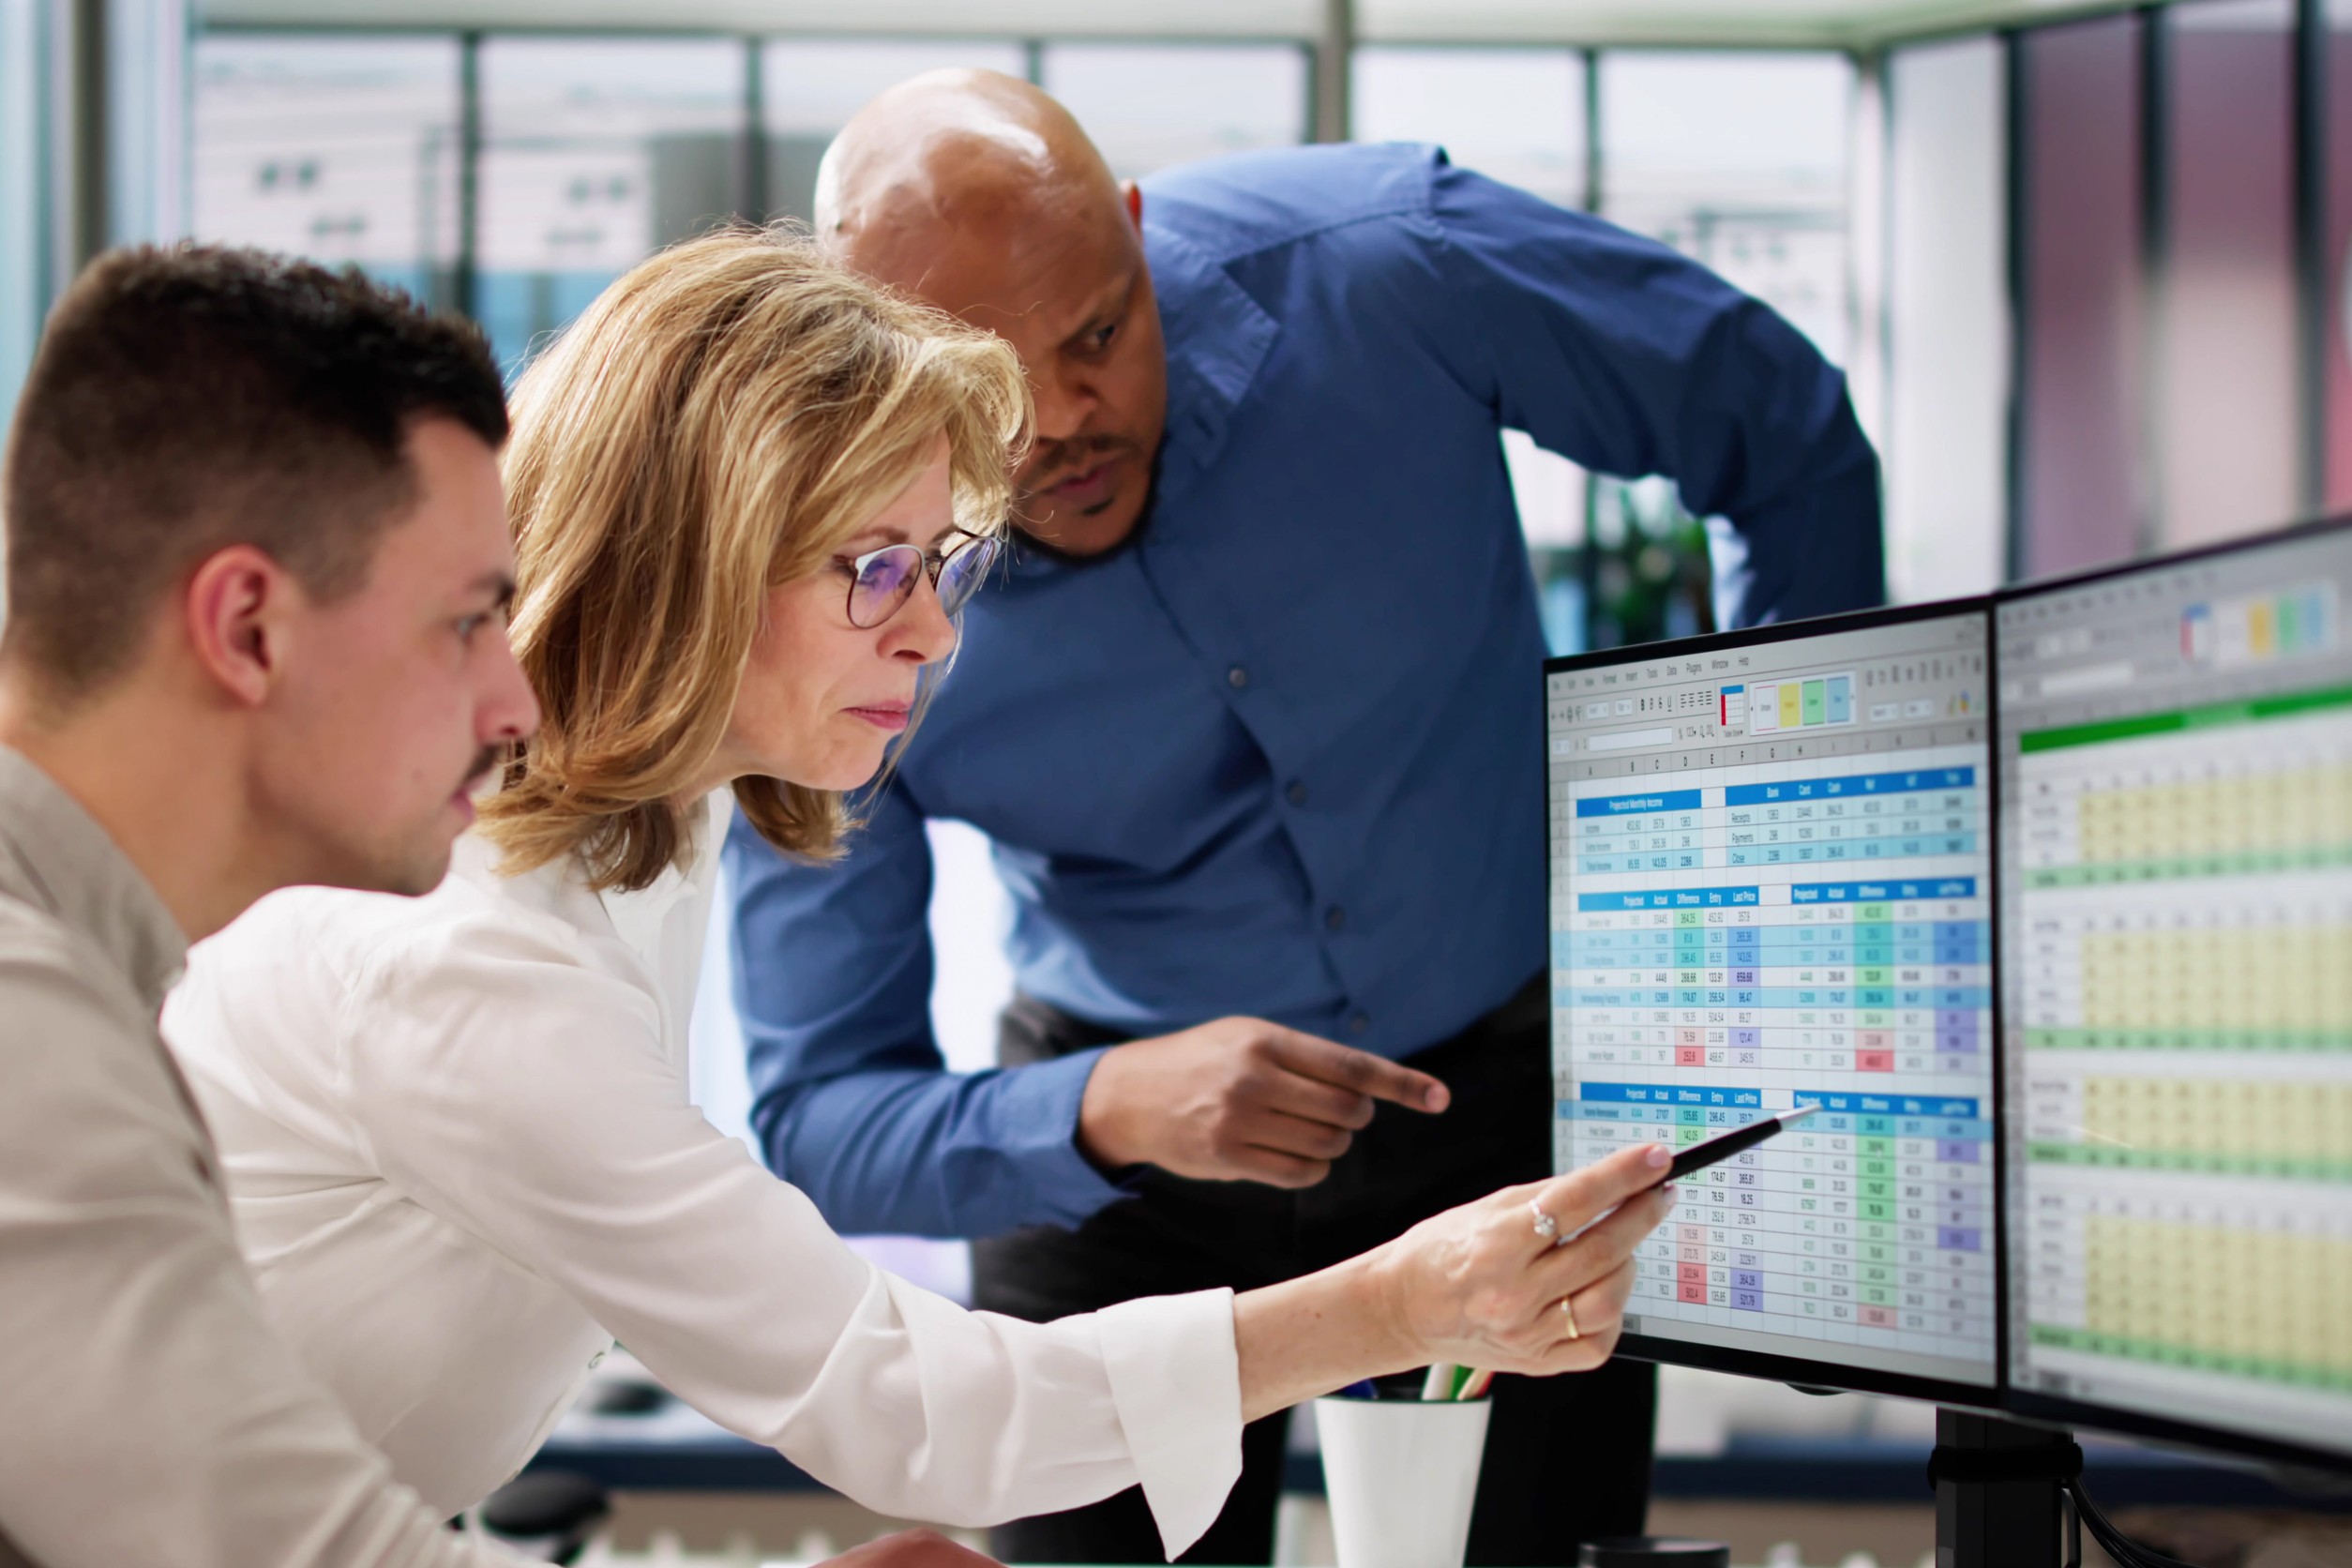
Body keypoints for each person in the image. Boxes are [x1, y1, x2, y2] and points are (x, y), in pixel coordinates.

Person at [162, 229, 1681, 1558]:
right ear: (690, 558)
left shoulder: (643, 822)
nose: (938, 637)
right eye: (872, 568)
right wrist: (1407, 1306)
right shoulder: (460, 954)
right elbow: (908, 1409)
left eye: (944, 563)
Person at [725, 71, 1888, 1567]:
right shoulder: (818, 611)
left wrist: (1775, 850)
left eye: (1098, 334)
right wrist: (1101, 1108)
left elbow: (1780, 429)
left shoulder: (1392, 259)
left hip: (1516, 1121)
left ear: (1136, 238)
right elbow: (820, 1117)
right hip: (1117, 1188)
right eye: (992, 392)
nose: (1067, 420)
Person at [0, 244, 543, 1566]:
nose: (516, 707)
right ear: (248, 626)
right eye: (469, 621)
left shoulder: (79, 978)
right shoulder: (24, 1032)